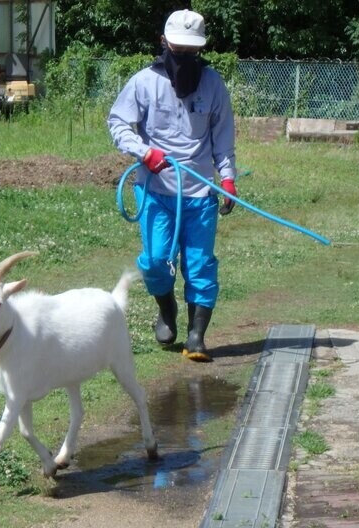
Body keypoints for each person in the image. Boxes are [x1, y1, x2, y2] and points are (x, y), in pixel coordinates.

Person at [108, 8, 237, 363]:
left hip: (200, 194)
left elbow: (223, 138)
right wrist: (144, 151)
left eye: (190, 52)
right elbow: (119, 124)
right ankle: (166, 308)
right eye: (177, 51)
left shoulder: (213, 85)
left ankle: (197, 337)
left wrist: (227, 177)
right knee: (154, 261)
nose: (183, 58)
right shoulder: (143, 83)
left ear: (200, 50)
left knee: (199, 265)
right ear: (164, 44)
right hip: (155, 190)